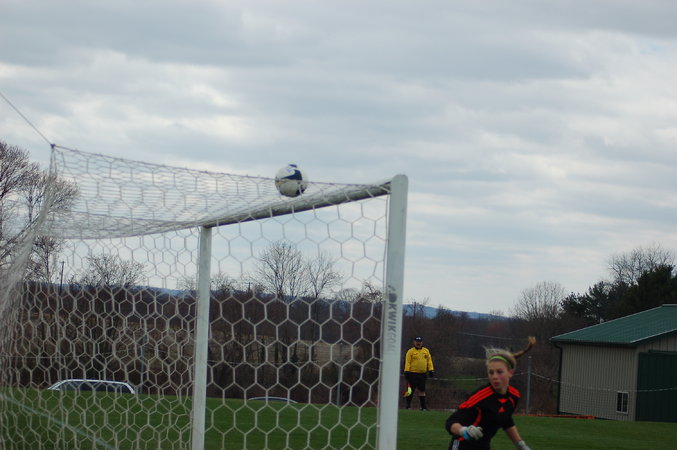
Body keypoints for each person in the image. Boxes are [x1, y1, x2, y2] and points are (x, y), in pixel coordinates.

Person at [445, 337, 536, 450]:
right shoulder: (480, 397)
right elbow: (451, 422)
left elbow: (506, 420)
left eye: (499, 372)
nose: (495, 377)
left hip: (484, 446)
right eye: (491, 372)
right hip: (462, 445)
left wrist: (520, 445)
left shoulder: (514, 396)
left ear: (510, 372)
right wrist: (464, 430)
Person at [403, 336, 435, 410]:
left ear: (422, 343)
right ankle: (408, 406)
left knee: (422, 390)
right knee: (410, 390)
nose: (418, 343)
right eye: (417, 342)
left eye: (419, 342)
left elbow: (429, 361)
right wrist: (406, 371)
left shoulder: (426, 351)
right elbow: (408, 362)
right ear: (414, 342)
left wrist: (431, 370)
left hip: (422, 374)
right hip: (412, 374)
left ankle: (423, 407)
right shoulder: (410, 351)